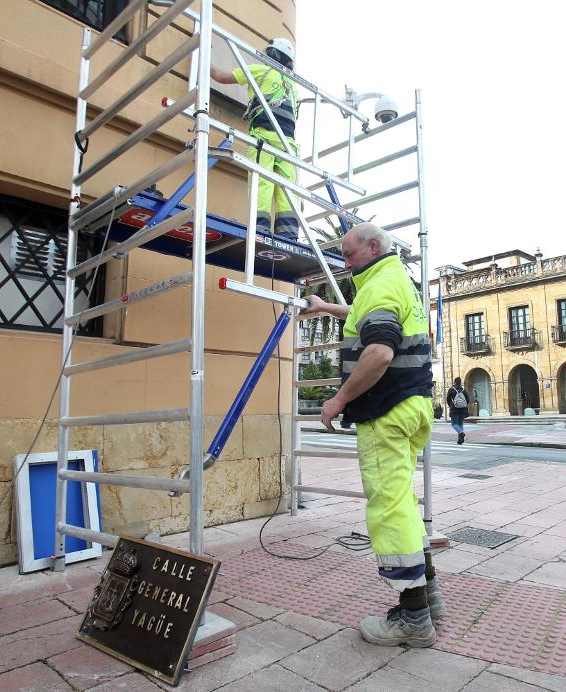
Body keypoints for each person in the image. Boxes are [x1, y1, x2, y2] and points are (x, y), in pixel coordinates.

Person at [301, 223, 446, 648]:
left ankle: (414, 618)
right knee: (402, 502)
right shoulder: (393, 280)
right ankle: (430, 597)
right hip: (413, 404)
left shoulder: (381, 285)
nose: (344, 264)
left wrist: (338, 400)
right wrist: (328, 307)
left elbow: (379, 350)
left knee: (388, 508)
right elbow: (367, 316)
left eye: (348, 255)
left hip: (387, 409)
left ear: (374, 247)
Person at [210, 38, 299, 240]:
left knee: (262, 182)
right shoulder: (293, 85)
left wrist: (203, 51)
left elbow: (220, 77)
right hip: (287, 145)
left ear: (272, 56)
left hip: (264, 137)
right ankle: (289, 233)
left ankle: (260, 228)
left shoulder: (261, 71)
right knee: (287, 189)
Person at [446, 376, 470, 444]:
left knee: (454, 424)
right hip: (463, 410)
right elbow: (468, 400)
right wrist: (463, 405)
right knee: (460, 424)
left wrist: (451, 405)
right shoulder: (464, 390)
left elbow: (448, 399)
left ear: (455, 382)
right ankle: (460, 439)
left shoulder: (451, 390)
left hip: (454, 410)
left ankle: (461, 433)